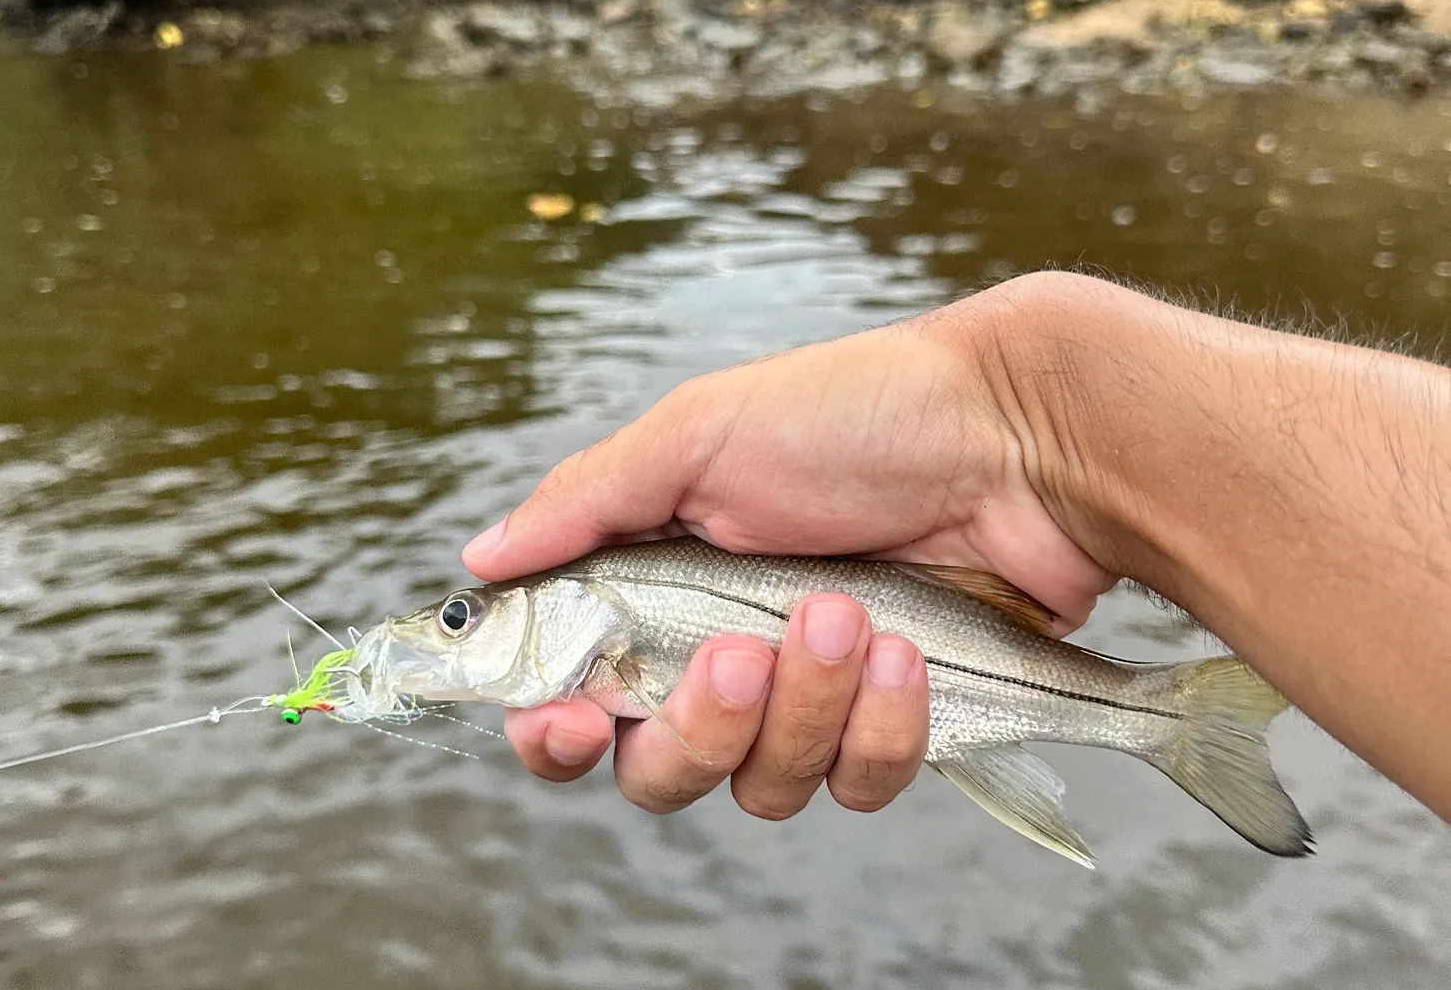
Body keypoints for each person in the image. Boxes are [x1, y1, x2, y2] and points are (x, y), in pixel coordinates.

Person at [462, 271, 1451, 826]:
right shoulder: (604, 624)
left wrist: (1028, 419)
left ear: (540, 603)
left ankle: (1162, 717)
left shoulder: (605, 597)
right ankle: (1153, 712)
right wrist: (1021, 425)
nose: (453, 626)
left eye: (463, 615)